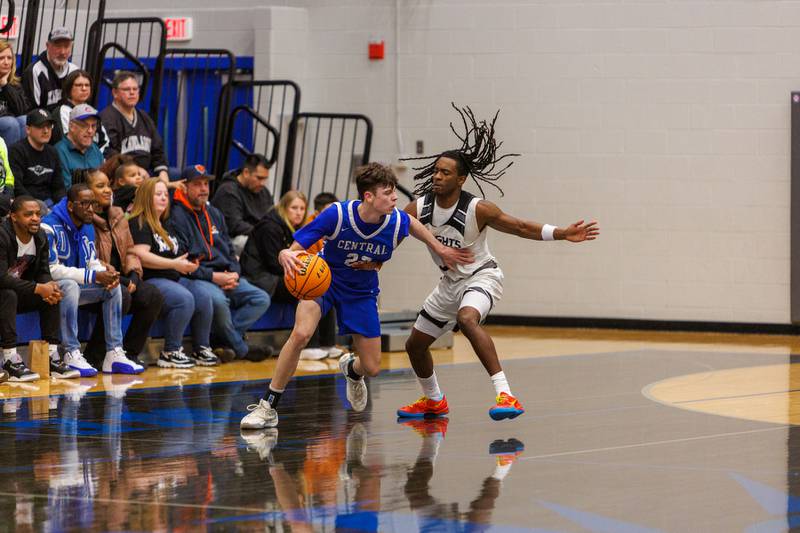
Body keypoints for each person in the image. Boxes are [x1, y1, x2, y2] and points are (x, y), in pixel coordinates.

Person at [396, 105, 599, 421]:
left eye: (445, 172)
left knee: (467, 319)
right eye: (435, 170)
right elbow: (392, 234)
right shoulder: (418, 207)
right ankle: (433, 400)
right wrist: (373, 261)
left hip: (482, 275)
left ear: (461, 179)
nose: (436, 175)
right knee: (414, 345)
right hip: (449, 283)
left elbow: (519, 226)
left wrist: (562, 233)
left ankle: (506, 394)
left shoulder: (479, 209)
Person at [240, 162, 473, 430]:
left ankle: (352, 370)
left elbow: (412, 224)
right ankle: (268, 406)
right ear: (369, 196)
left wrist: (439, 248)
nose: (395, 198)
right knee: (301, 334)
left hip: (361, 290)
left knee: (372, 367)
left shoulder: (395, 220)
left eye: (394, 191)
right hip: (325, 280)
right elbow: (296, 252)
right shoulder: (337, 216)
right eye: (388, 193)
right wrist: (286, 254)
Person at [170, 165, 271, 362]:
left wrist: (234, 273)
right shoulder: (176, 216)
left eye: (206, 184)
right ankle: (242, 349)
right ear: (183, 187)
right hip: (198, 275)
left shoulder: (214, 213)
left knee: (261, 298)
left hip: (224, 274)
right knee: (219, 302)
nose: (204, 189)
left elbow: (229, 248)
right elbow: (184, 260)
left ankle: (221, 340)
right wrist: (214, 277)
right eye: (197, 184)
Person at [42, 184, 145, 376]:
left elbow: (91, 262)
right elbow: (52, 270)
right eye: (85, 204)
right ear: (71, 206)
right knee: (70, 286)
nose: (91, 209)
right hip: (48, 288)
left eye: (93, 204)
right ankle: (70, 352)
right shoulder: (48, 225)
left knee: (114, 289)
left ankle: (113, 353)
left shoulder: (87, 226)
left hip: (76, 286)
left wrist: (105, 275)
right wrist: (94, 275)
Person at [129, 177, 219, 367]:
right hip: (152, 278)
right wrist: (173, 264)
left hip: (173, 276)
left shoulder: (167, 224)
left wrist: (187, 264)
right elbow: (141, 255)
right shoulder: (140, 222)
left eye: (165, 194)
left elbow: (178, 255)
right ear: (146, 197)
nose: (164, 198)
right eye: (157, 194)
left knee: (203, 296)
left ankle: (201, 347)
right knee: (183, 298)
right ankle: (170, 351)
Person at [79, 168, 164, 368]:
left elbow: (130, 251)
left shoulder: (118, 214)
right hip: (95, 280)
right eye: (100, 186)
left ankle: (129, 353)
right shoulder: (84, 220)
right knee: (121, 293)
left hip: (122, 279)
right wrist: (121, 280)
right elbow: (92, 260)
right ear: (86, 192)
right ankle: (95, 356)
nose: (108, 190)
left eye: (108, 185)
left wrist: (134, 274)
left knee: (152, 295)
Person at [240, 191, 338, 361]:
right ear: (283, 208)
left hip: (278, 274)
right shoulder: (269, 227)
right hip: (260, 278)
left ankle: (327, 343)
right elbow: (273, 262)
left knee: (323, 286)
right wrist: (302, 276)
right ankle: (308, 346)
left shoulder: (295, 228)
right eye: (294, 208)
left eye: (302, 208)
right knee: (307, 289)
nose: (299, 212)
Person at [0, 196, 80, 381]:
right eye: (28, 214)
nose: (35, 218)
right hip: (4, 292)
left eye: (38, 214)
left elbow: (43, 271)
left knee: (52, 292)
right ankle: (10, 360)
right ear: (13, 216)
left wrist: (48, 285)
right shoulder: (2, 236)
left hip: (18, 291)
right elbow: (2, 278)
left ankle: (51, 357)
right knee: (8, 294)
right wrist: (38, 288)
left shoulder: (41, 236)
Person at [99, 72, 170, 183]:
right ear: (115, 93)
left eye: (135, 89)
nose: (132, 93)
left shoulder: (144, 117)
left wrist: (163, 173)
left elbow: (158, 151)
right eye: (127, 89)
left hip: (147, 175)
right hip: (121, 178)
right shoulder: (107, 118)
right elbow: (111, 155)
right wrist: (135, 170)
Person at [211, 153, 274, 256]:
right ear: (245, 172)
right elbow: (234, 226)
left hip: (258, 234)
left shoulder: (263, 191)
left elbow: (272, 217)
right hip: (232, 239)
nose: (263, 183)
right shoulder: (228, 191)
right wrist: (264, 233)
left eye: (265, 179)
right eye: (259, 178)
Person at [10, 108, 65, 208]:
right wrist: (36, 205)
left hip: (50, 204)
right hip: (26, 205)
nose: (46, 131)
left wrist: (62, 206)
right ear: (28, 129)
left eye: (49, 126)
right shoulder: (16, 151)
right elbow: (17, 186)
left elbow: (58, 187)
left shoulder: (53, 152)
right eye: (41, 126)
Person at [51, 70, 110, 152]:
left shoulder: (92, 112)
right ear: (69, 88)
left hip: (95, 158)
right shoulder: (63, 111)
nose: (84, 88)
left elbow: (105, 142)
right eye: (79, 85)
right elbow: (69, 141)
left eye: (87, 85)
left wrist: (97, 157)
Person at [22, 26, 78, 111]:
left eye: (66, 46)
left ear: (71, 47)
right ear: (47, 46)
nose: (62, 52)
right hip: (42, 122)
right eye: (58, 46)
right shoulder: (34, 71)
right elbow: (32, 111)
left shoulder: (74, 71)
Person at [55, 104, 104, 188]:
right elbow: (66, 190)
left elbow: (104, 182)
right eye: (84, 125)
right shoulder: (59, 151)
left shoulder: (95, 149)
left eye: (93, 126)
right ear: (71, 126)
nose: (90, 131)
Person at [0, 40, 30, 146]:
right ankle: (9, 162)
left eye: (9, 58)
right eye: (1, 58)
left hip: (11, 124)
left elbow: (22, 111)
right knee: (10, 123)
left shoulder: (15, 84)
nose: (6, 62)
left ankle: (20, 160)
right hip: (8, 124)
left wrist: (5, 85)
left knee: (24, 120)